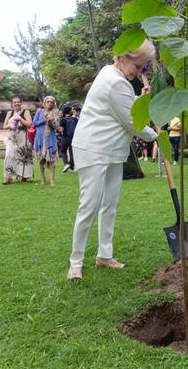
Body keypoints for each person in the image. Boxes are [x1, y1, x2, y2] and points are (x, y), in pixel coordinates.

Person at [68, 40, 158, 281]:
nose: (138, 72)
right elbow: (133, 121)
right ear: (122, 57)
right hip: (93, 148)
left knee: (110, 204)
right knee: (89, 205)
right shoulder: (114, 81)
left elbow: (127, 108)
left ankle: (104, 255)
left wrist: (140, 98)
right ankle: (75, 262)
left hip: (112, 151)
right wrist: (156, 135)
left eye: (141, 68)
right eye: (137, 66)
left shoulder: (115, 76)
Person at [3, 98, 33, 184]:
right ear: (12, 104)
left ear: (21, 103)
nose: (17, 103)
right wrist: (10, 126)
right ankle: (8, 177)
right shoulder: (9, 113)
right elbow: (4, 126)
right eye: (15, 102)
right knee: (9, 155)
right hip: (11, 138)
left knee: (22, 156)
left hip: (23, 137)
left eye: (18, 102)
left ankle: (24, 176)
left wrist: (20, 119)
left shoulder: (25, 112)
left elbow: (29, 124)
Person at [33, 96, 59, 186]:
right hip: (40, 137)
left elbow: (55, 127)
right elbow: (34, 123)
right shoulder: (39, 111)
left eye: (51, 102)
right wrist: (44, 120)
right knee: (41, 159)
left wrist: (50, 121)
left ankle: (52, 179)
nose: (49, 103)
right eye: (48, 102)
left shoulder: (55, 113)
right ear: (44, 103)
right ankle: (42, 178)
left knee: (51, 158)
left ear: (53, 103)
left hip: (50, 138)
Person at [58, 105, 77, 171]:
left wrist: (58, 129)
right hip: (73, 138)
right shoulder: (75, 119)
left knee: (63, 151)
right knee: (72, 152)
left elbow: (61, 130)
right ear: (70, 111)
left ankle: (66, 164)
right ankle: (71, 165)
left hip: (65, 138)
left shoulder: (62, 119)